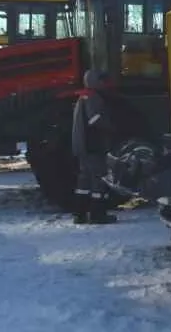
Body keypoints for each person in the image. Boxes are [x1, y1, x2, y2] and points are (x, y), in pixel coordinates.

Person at [71, 69, 117, 225]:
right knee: (100, 179)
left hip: (82, 146)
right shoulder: (93, 97)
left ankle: (80, 214)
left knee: (83, 181)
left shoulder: (82, 96)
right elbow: (95, 119)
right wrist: (112, 128)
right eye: (103, 81)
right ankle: (98, 214)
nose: (106, 84)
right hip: (93, 147)